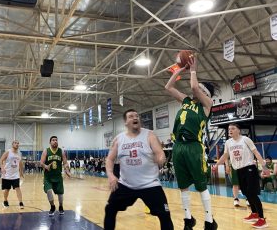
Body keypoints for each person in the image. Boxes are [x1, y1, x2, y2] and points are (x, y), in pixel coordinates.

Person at [165, 56, 219, 230]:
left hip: (194, 147)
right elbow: (168, 87)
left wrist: (193, 69)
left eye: (202, 90)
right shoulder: (186, 101)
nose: (197, 90)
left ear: (206, 94)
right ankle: (188, 219)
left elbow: (195, 87)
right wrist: (179, 70)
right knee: (182, 186)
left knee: (200, 185)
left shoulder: (207, 105)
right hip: (178, 146)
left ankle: (209, 221)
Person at [104, 109, 174, 230]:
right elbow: (109, 159)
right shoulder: (118, 139)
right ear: (125, 122)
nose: (135, 118)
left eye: (137, 116)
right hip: (126, 184)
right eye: (131, 116)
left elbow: (160, 153)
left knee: (164, 215)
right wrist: (110, 175)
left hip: (150, 184)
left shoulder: (150, 135)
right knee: (110, 208)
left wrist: (161, 158)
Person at [213, 123, 270, 228]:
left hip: (249, 168)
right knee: (246, 192)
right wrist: (217, 164)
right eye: (229, 129)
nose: (230, 130)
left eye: (233, 128)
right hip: (238, 170)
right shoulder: (228, 143)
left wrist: (264, 167)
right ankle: (254, 213)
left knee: (252, 193)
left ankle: (262, 219)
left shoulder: (245, 139)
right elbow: (225, 155)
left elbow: (256, 153)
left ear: (239, 130)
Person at [40, 136, 71, 216]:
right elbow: (41, 163)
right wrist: (46, 166)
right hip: (48, 176)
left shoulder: (61, 151)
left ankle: (61, 206)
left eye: (56, 140)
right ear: (50, 142)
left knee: (60, 194)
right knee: (49, 191)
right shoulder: (46, 151)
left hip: (58, 176)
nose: (55, 141)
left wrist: (67, 170)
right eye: (53, 140)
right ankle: (52, 207)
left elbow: (65, 162)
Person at [0, 140, 25, 209]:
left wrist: (21, 172)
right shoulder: (8, 152)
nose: (17, 144)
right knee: (7, 189)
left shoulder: (19, 153)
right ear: (12, 144)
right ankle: (5, 200)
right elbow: (1, 160)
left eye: (18, 143)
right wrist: (2, 168)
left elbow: (20, 163)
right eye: (15, 143)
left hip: (15, 175)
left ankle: (21, 202)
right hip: (7, 174)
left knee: (18, 188)